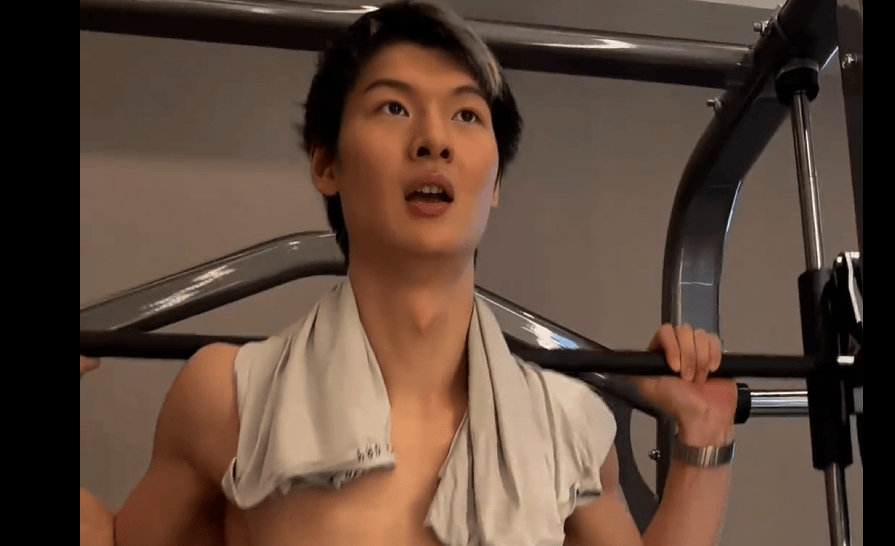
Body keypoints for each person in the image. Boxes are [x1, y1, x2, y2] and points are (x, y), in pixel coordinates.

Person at [79, 2, 738, 545]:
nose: (434, 140)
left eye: (466, 114)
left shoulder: (567, 425)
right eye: (393, 107)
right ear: (327, 165)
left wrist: (704, 436)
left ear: (494, 185)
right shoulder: (227, 397)